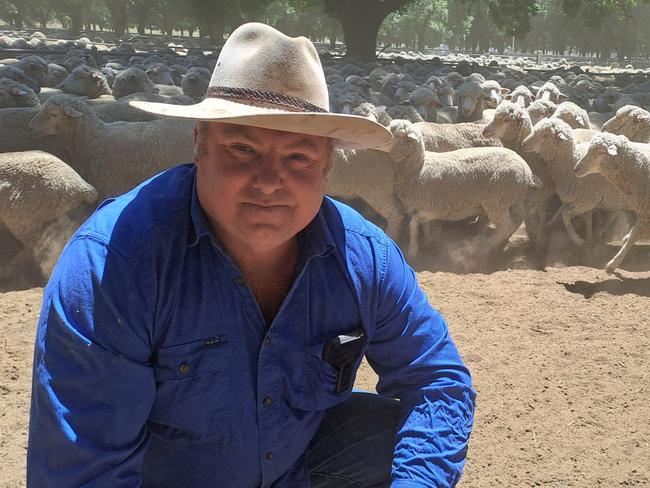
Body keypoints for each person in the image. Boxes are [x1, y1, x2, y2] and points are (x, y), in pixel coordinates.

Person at [27, 22, 476, 488]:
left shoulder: (365, 256)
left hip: (293, 466)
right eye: (242, 148)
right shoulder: (114, 265)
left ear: (327, 165)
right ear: (200, 143)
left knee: (387, 430)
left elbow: (438, 380)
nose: (267, 181)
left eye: (298, 158)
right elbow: (85, 471)